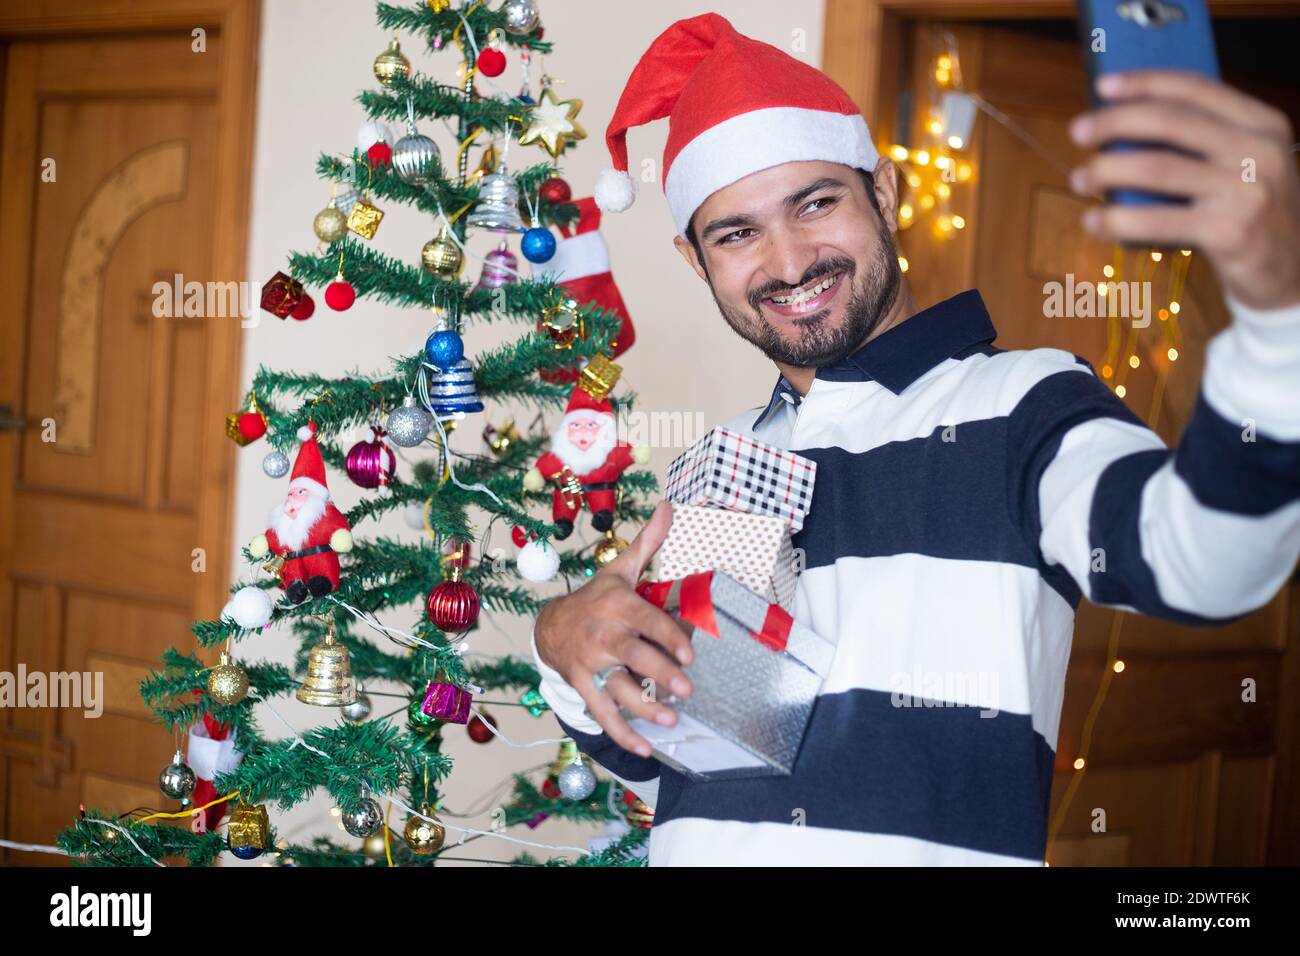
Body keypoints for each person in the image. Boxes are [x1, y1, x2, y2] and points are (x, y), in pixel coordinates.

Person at [532, 13, 1300, 864]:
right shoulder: (727, 457)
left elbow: (1205, 561)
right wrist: (563, 647)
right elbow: (683, 754)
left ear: (885, 193)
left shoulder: (1023, 403)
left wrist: (1277, 324)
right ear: (693, 257)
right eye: (738, 232)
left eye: (816, 203)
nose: (788, 263)